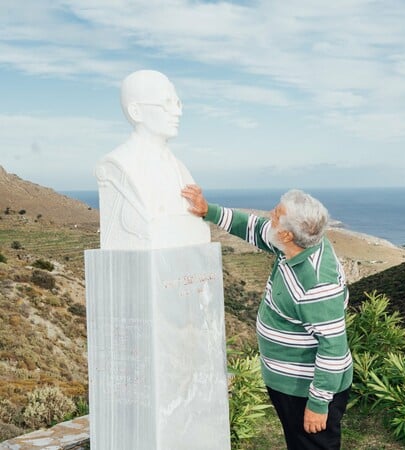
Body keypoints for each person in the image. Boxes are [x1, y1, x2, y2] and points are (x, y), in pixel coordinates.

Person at [181, 184, 353, 450]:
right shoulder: (297, 243)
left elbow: (334, 349)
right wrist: (209, 211)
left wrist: (319, 404)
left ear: (285, 234)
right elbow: (254, 228)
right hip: (291, 384)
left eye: (275, 215)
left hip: (306, 390)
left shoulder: (317, 285)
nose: (269, 217)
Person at [95, 69, 210, 249]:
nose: (177, 112)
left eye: (178, 103)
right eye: (167, 104)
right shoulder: (116, 165)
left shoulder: (179, 167)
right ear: (136, 111)